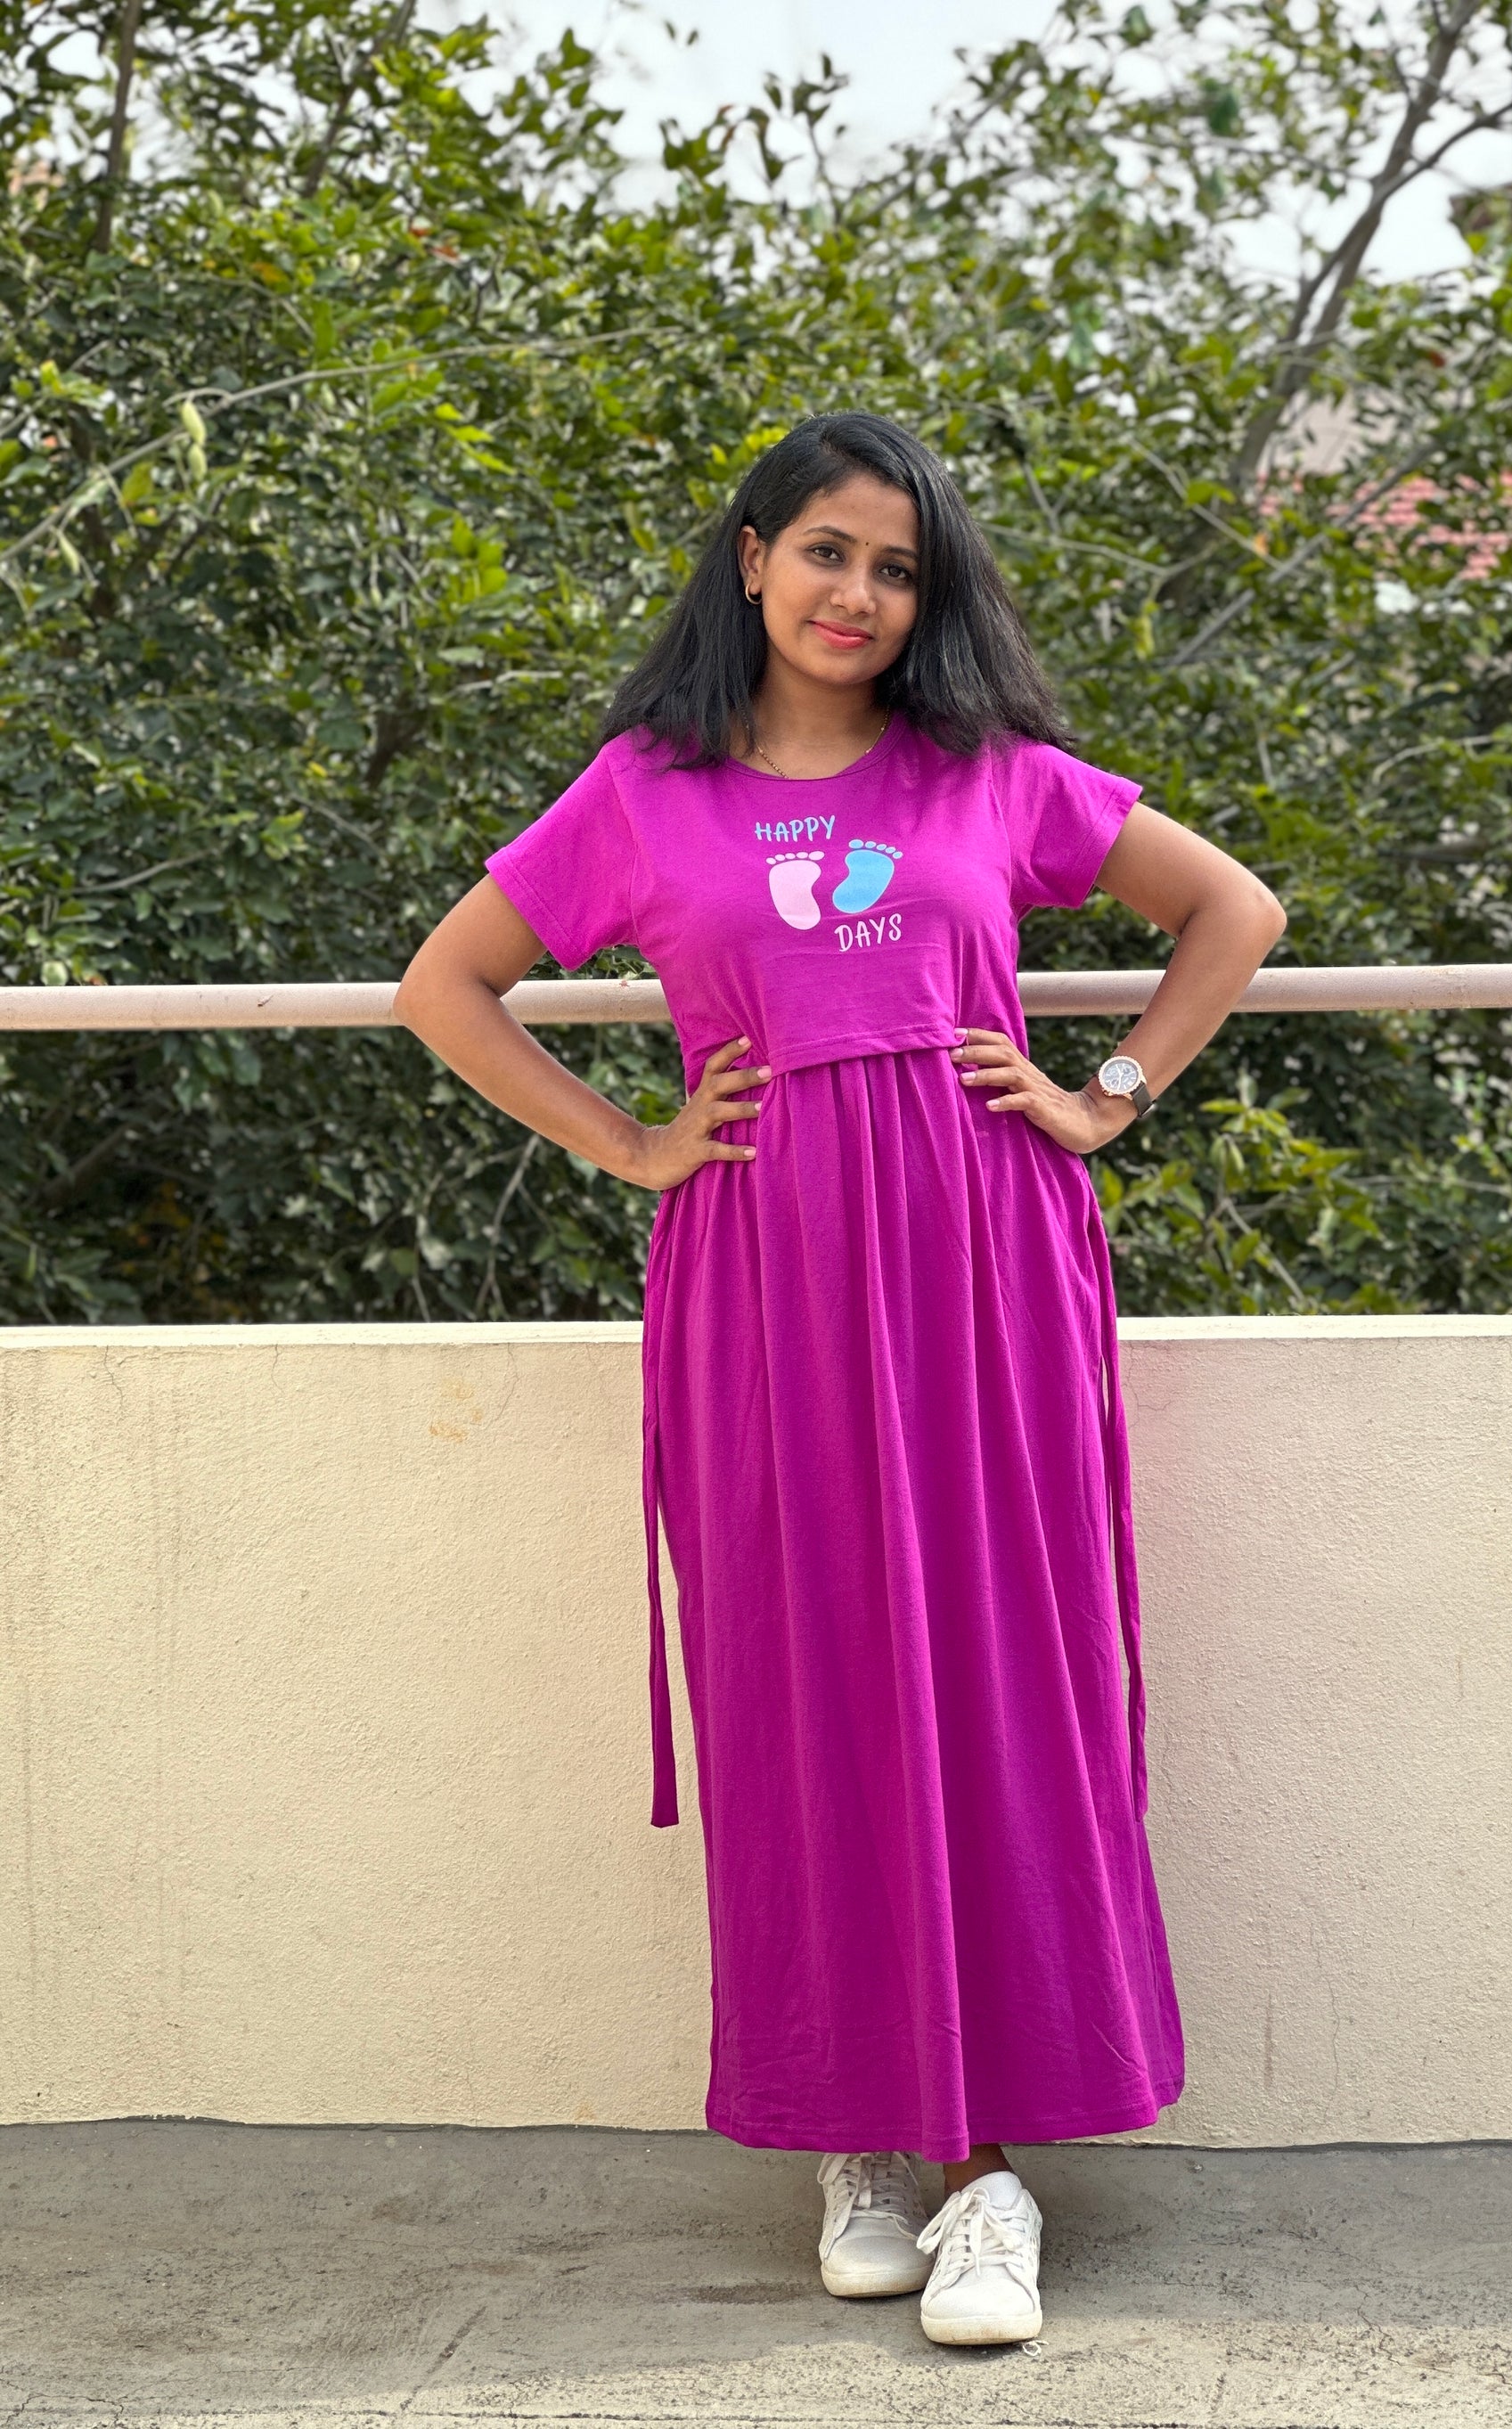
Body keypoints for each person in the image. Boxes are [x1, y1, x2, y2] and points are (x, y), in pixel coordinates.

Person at [394, 411, 1286, 2347]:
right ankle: (858, 2131)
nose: (857, 595)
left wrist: (1102, 1094)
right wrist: (633, 1144)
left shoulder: (989, 774)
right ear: (751, 557)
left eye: (895, 568)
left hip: (983, 1268)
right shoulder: (643, 791)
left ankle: (989, 2169)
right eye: (825, 552)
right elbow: (444, 986)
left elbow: (1235, 911)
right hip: (765, 1269)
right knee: (803, 1676)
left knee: (998, 1670)